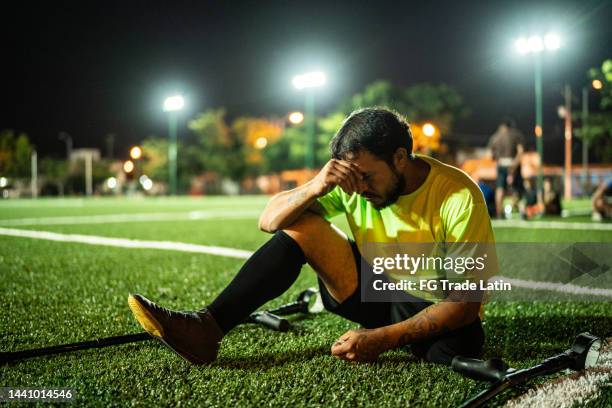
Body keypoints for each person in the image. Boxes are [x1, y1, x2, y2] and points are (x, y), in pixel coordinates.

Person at [128, 107, 495, 366]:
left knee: (455, 349)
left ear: (400, 157)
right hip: (373, 291)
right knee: (300, 223)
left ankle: (402, 337)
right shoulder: (353, 183)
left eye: (367, 176)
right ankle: (207, 328)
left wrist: (382, 339)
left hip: (436, 304)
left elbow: (465, 303)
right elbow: (270, 221)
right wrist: (317, 186)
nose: (359, 187)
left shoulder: (458, 195)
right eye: (352, 177)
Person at [487, 119, 525, 218]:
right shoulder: (516, 134)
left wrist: (498, 159)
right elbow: (520, 151)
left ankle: (499, 213)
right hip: (513, 163)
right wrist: (515, 163)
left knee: (500, 188)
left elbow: (490, 155)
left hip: (501, 164)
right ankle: (521, 212)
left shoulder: (495, 137)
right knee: (517, 188)